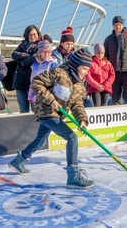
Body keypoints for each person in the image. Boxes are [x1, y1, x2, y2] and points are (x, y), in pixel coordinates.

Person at [8, 48, 95, 189]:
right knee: (72, 138)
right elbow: (36, 82)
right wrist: (51, 100)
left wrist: (82, 120)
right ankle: (73, 176)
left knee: (41, 140)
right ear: (76, 65)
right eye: (85, 68)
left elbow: (77, 104)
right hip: (46, 111)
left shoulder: (80, 84)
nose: (86, 72)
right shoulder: (59, 73)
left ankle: (19, 160)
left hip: (57, 114)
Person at [103, 16, 127, 104]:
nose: (117, 27)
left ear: (122, 25)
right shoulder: (108, 39)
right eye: (116, 25)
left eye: (119, 24)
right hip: (114, 73)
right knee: (115, 98)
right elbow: (105, 56)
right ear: (113, 26)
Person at [11, 25, 42, 113]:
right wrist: (27, 56)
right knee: (23, 110)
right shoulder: (22, 45)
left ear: (38, 34)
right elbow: (13, 55)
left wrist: (22, 62)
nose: (33, 36)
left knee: (36, 110)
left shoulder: (40, 45)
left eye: (34, 34)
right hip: (20, 82)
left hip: (33, 83)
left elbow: (35, 59)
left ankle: (36, 127)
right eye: (30, 35)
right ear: (26, 35)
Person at [28, 40, 58, 110]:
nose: (47, 54)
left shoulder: (53, 64)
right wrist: (30, 95)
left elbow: (54, 81)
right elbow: (32, 81)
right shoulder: (35, 65)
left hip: (48, 96)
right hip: (36, 96)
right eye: (44, 52)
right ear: (40, 52)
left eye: (49, 52)